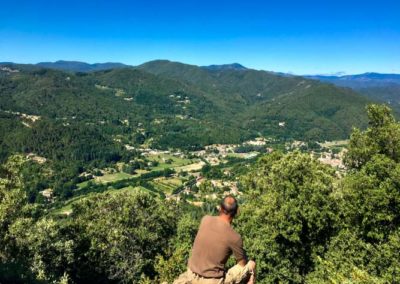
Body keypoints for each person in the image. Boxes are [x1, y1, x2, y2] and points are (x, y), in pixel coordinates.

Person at [174, 196, 256, 284]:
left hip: (190, 274)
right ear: (236, 212)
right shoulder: (235, 237)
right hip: (211, 281)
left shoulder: (205, 219)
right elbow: (242, 264)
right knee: (251, 265)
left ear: (220, 208)